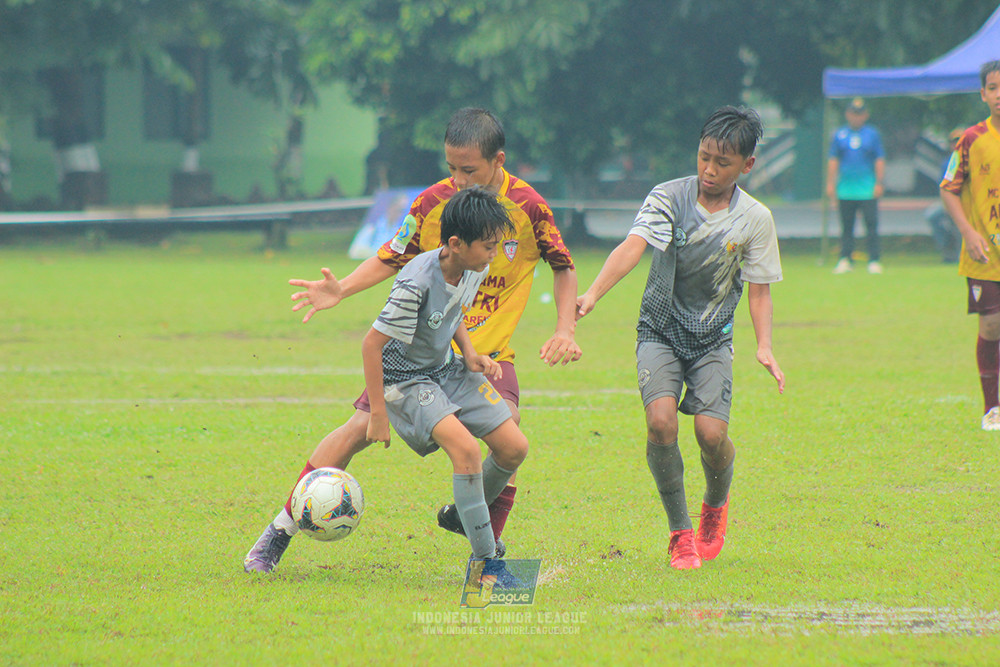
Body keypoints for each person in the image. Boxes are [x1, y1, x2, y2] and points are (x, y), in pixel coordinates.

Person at [244, 107, 581, 573]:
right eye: (452, 169)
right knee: (355, 433)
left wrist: (565, 328)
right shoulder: (433, 205)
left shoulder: (528, 207)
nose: (459, 180)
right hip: (417, 353)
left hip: (484, 354)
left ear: (498, 161)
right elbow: (391, 258)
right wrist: (341, 287)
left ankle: (480, 542)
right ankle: (278, 532)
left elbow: (562, 266)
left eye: (470, 170)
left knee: (510, 435)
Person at [576, 105, 785, 570]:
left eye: (723, 163)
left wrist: (764, 345)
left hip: (712, 338)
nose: (709, 170)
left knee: (712, 435)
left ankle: (715, 504)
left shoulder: (755, 219)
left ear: (747, 165)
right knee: (661, 423)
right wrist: (593, 294)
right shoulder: (668, 198)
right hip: (660, 329)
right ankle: (680, 534)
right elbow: (633, 246)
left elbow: (760, 291)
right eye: (704, 156)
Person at [362, 187, 527, 567]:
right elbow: (370, 345)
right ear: (455, 243)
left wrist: (470, 354)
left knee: (514, 447)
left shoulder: (474, 266)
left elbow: (453, 312)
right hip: (405, 379)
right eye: (488, 246)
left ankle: (461, 515)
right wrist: (377, 414)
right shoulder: (415, 282)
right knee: (467, 451)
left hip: (445, 367)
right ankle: (487, 560)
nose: (493, 254)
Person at [940, 60, 1000, 431]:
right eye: (993, 87)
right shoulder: (971, 139)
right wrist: (968, 231)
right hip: (984, 255)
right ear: (983, 94)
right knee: (992, 326)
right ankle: (992, 408)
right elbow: (948, 188)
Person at [827, 98, 886, 275]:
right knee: (846, 226)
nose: (856, 117)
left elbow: (879, 159)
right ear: (847, 114)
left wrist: (879, 182)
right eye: (853, 113)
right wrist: (831, 184)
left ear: (865, 115)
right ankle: (845, 258)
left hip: (867, 188)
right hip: (846, 189)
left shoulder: (872, 134)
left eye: (860, 114)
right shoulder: (840, 134)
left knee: (871, 224)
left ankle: (874, 259)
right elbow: (833, 160)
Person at [925, 128, 964, 264]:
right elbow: (943, 187)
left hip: (968, 202)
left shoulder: (974, 159)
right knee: (932, 215)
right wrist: (948, 205)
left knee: (962, 223)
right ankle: (948, 250)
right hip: (951, 201)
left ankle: (962, 255)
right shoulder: (947, 163)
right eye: (954, 142)